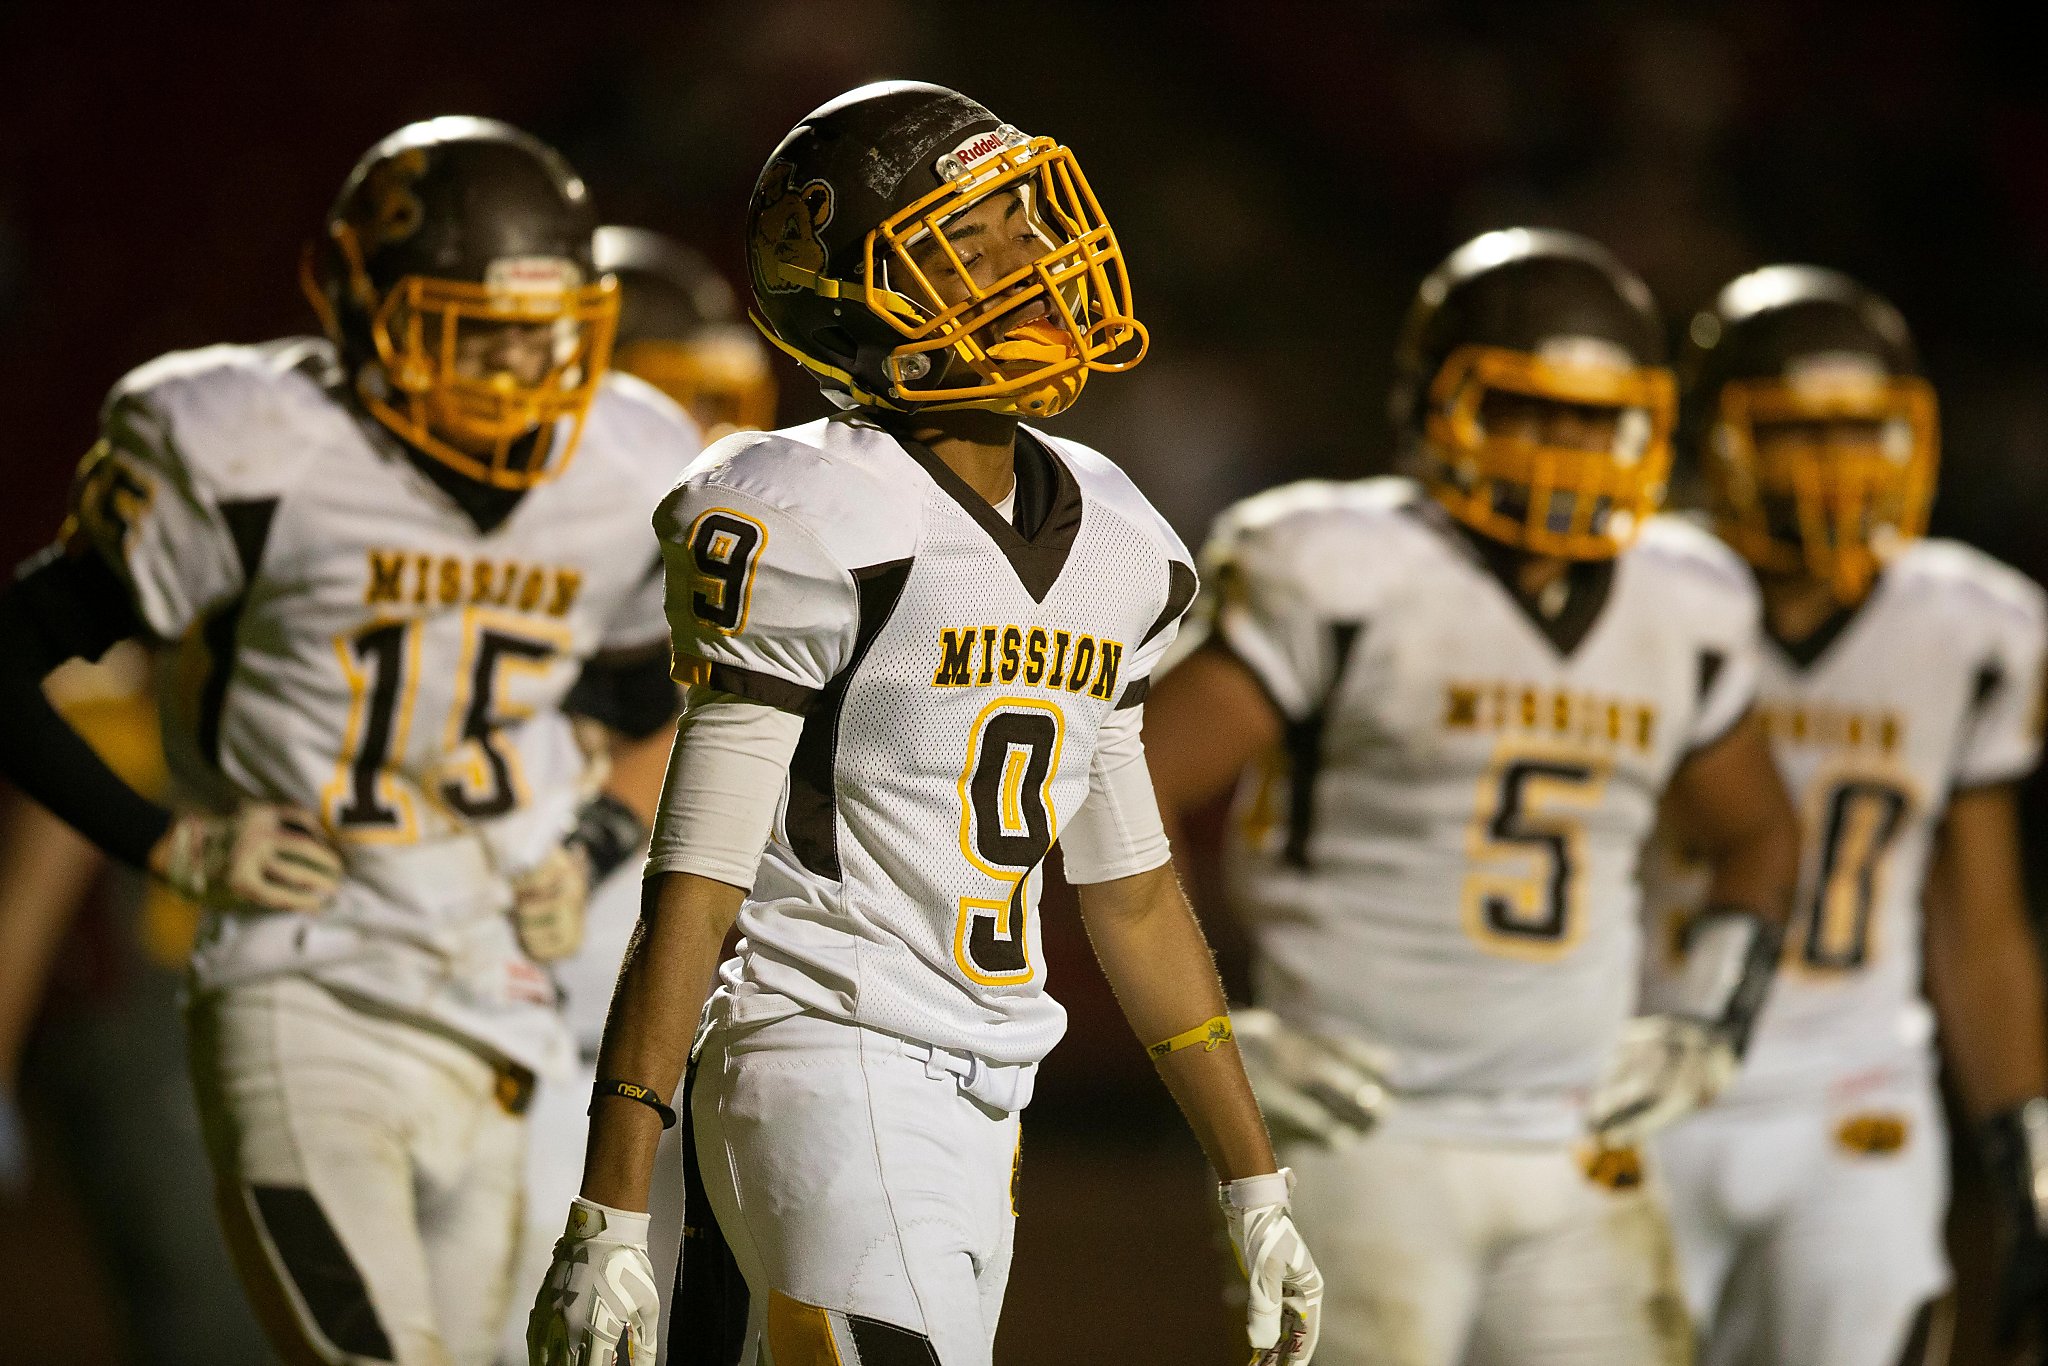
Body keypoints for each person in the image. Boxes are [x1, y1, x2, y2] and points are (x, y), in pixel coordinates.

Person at [528, 80, 1323, 1366]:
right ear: (853, 299)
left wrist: (1253, 1180)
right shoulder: (803, 509)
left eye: (1022, 213)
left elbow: (1127, 893)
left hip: (987, 1091)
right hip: (821, 1051)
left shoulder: (1118, 534)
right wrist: (611, 1194)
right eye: (974, 235)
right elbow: (698, 879)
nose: (1032, 254)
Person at [0, 115, 698, 1365]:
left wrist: (591, 834)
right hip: (305, 979)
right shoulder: (248, 447)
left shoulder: (629, 454)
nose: (518, 370)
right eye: (470, 331)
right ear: (353, 302)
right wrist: (168, 841)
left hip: (509, 1000)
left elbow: (661, 697)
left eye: (546, 334)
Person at [1143, 227, 1803, 1366]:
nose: (1565, 447)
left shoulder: (1684, 596)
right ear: (1432, 406)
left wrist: (1709, 1018)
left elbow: (1757, 833)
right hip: (1359, 1136)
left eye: (1594, 418)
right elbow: (1118, 797)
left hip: (1578, 1138)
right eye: (1529, 410)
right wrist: (1210, 1032)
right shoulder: (1337, 566)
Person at [1643, 265, 2048, 1365]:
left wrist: (2028, 1154)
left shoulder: (1974, 625)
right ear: (1716, 440)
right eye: (1793, 434)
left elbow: (1979, 923)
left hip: (1851, 1092)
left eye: (1861, 432)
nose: (1833, 469)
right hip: (1634, 1075)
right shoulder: (1642, 590)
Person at [499, 224, 774, 1365]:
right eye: (673, 402)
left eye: (720, 402)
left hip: (685, 1012)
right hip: (533, 1007)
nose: (702, 444)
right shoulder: (530, 539)